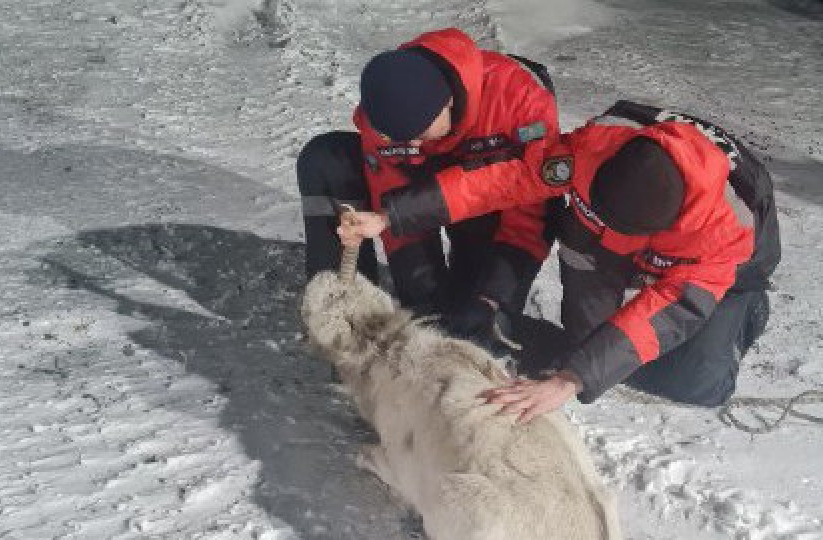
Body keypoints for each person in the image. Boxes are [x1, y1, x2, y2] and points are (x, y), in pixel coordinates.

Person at [340, 100, 781, 421]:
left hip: (726, 269)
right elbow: (500, 181)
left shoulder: (727, 229)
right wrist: (392, 214)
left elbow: (671, 305)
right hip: (599, 236)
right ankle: (578, 332)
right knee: (586, 343)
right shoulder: (591, 150)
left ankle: (745, 312)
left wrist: (572, 381)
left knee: (697, 384)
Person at [296, 27, 560, 343]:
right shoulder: (384, 117)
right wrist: (421, 294)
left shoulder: (521, 103)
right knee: (325, 158)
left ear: (447, 102)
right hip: (419, 205)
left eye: (419, 134)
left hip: (496, 210)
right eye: (401, 140)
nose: (412, 144)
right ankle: (349, 331)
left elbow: (530, 215)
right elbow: (393, 201)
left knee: (480, 328)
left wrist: (493, 298)